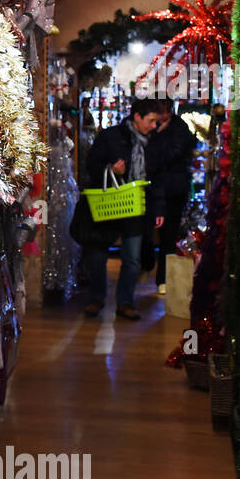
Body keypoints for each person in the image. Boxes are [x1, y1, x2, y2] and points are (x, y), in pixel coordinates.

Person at [79, 98, 165, 320]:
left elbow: (158, 178)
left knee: (132, 259)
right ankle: (96, 298)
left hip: (136, 206)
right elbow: (91, 166)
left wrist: (158, 209)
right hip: (109, 204)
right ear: (137, 117)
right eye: (151, 121)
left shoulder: (155, 142)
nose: (154, 126)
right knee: (97, 256)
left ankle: (125, 302)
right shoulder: (110, 136)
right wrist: (110, 169)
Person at [145, 99, 196, 295]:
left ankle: (163, 279)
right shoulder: (158, 128)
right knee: (152, 234)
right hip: (159, 188)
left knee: (168, 235)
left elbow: (172, 155)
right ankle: (154, 271)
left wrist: (156, 139)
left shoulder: (177, 129)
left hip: (172, 191)